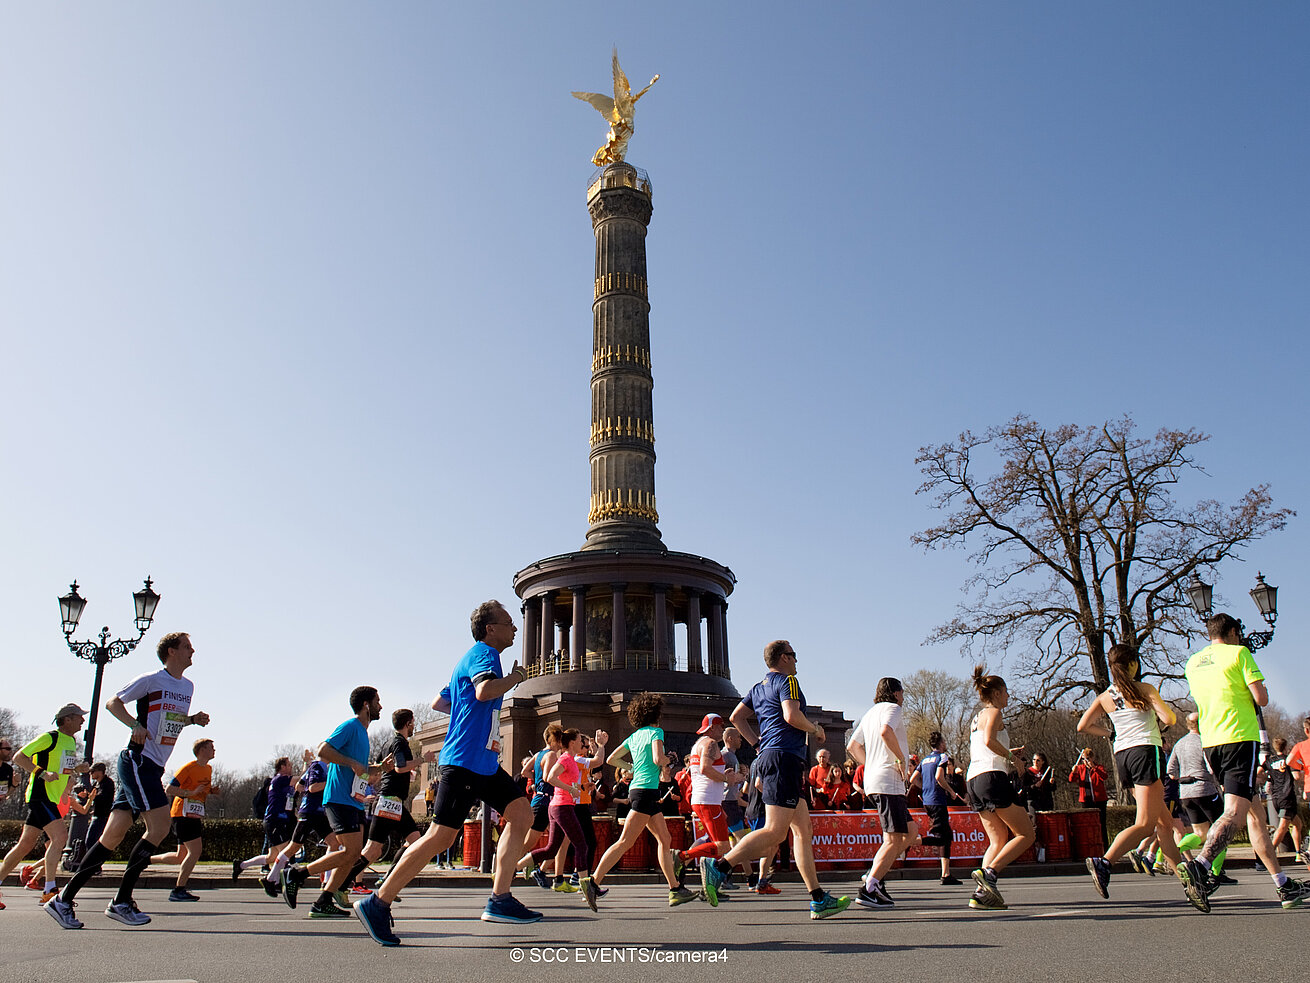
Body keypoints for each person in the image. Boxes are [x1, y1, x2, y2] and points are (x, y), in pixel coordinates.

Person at [353, 600, 542, 946]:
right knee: (440, 838)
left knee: (522, 812)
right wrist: (516, 678)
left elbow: (443, 702)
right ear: (490, 629)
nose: (515, 628)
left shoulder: (471, 659)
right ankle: (377, 903)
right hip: (465, 762)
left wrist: (469, 711)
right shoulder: (485, 654)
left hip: (482, 763)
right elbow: (484, 690)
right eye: (509, 623)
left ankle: (500, 899)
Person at [49, 633, 209, 930]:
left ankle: (63, 899)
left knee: (111, 837)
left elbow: (167, 720)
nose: (193, 651)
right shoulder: (151, 679)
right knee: (160, 827)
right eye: (188, 646)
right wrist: (134, 725)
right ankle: (122, 901)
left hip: (153, 766)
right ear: (172, 652)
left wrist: (191, 720)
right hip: (138, 761)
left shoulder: (187, 685)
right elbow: (112, 702)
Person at [701, 640, 851, 919]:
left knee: (802, 831)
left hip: (774, 758)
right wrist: (815, 728)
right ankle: (719, 866)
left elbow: (736, 717)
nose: (796, 661)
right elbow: (791, 715)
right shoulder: (788, 682)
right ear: (783, 658)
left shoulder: (758, 687)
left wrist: (758, 744)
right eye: (794, 655)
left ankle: (818, 898)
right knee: (775, 832)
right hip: (784, 759)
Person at [1178, 613, 1310, 911]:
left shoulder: (1193, 662)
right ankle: (1201, 865)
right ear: (1234, 632)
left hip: (1211, 743)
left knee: (1255, 817)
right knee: (1236, 812)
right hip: (1239, 737)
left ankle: (1283, 884)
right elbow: (1260, 698)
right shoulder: (1240, 653)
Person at [1077, 644, 1188, 902]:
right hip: (1146, 752)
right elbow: (1170, 719)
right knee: (1145, 824)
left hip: (1123, 757)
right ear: (1133, 664)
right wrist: (1161, 713)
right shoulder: (1145, 689)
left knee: (1165, 824)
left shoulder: (1105, 696)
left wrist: (1110, 733)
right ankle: (1104, 862)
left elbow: (1083, 725)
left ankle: (1186, 880)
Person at [280, 688, 393, 918]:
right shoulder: (351, 726)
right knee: (350, 850)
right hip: (339, 798)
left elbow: (360, 769)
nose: (381, 706)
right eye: (377, 701)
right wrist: (352, 762)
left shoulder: (362, 732)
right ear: (365, 705)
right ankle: (297, 874)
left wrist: (381, 768)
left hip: (354, 801)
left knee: (353, 854)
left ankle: (323, 901)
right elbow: (323, 749)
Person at [590, 692, 694, 906]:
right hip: (646, 791)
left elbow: (611, 759)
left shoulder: (634, 736)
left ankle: (675, 888)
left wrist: (631, 768)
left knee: (664, 839)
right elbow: (658, 759)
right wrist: (669, 759)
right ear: (656, 713)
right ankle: (593, 882)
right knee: (625, 842)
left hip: (642, 790)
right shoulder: (656, 732)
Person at [1, 704, 89, 910]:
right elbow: (19, 757)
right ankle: (49, 890)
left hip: (51, 797)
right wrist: (42, 773)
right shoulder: (50, 737)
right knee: (59, 838)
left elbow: (60, 768)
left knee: (25, 845)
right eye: (79, 717)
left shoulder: (70, 741)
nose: (82, 721)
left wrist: (77, 769)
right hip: (40, 795)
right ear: (66, 719)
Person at [343, 708, 435, 898]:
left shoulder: (388, 743)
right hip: (389, 802)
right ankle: (342, 883)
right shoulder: (400, 742)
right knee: (373, 850)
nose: (414, 725)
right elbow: (400, 767)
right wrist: (422, 760)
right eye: (413, 722)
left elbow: (382, 769)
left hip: (391, 802)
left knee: (412, 841)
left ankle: (386, 877)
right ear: (408, 723)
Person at [848, 677, 923, 910]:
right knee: (894, 838)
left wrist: (870, 765)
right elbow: (885, 731)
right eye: (902, 692)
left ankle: (875, 872)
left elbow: (852, 746)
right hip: (888, 781)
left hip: (876, 780)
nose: (903, 696)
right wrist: (900, 759)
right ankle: (870, 887)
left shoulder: (870, 713)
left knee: (910, 831)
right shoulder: (893, 708)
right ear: (896, 693)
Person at [963, 665, 1034, 911]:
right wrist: (1013, 760)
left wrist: (1008, 753)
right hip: (992, 777)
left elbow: (984, 745)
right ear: (996, 693)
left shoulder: (977, 717)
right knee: (1026, 834)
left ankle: (982, 894)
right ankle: (990, 875)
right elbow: (989, 741)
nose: (1008, 696)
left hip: (975, 779)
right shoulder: (994, 712)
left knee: (998, 839)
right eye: (1006, 692)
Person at [527, 728, 599, 910]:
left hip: (557, 804)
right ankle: (584, 884)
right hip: (558, 805)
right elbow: (549, 777)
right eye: (580, 740)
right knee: (581, 845)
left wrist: (582, 787)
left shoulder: (567, 758)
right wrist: (570, 789)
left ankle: (516, 866)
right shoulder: (562, 757)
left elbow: (565, 781)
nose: (583, 744)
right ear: (573, 742)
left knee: (552, 848)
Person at [150, 737, 221, 902]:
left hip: (194, 814)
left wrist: (211, 791)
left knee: (180, 856)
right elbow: (169, 789)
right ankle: (178, 890)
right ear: (202, 750)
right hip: (182, 813)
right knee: (195, 851)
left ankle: (144, 860)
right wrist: (191, 793)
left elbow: (202, 789)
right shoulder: (188, 768)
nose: (214, 750)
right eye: (211, 747)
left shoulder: (208, 769)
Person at [676, 714, 745, 876]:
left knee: (713, 841)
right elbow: (705, 769)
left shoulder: (698, 744)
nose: (722, 730)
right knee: (722, 846)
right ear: (713, 727)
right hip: (708, 801)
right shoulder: (710, 743)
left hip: (706, 800)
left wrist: (724, 776)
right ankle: (681, 857)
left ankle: (702, 877)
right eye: (721, 726)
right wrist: (726, 778)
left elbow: (706, 769)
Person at [1167, 713, 1229, 881]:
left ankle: (1169, 854)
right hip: (1205, 789)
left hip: (1185, 793)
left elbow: (1171, 771)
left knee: (1200, 833)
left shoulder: (1179, 744)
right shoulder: (1205, 741)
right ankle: (1216, 874)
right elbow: (1211, 768)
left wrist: (1185, 776)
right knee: (1221, 831)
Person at [911, 731, 965, 884]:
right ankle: (911, 842)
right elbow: (939, 777)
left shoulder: (925, 759)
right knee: (942, 837)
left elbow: (913, 779)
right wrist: (951, 791)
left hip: (928, 801)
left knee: (946, 836)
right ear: (941, 743)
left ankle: (946, 874)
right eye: (945, 742)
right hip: (938, 801)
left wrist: (924, 788)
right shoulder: (942, 757)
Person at [235, 757, 297, 885]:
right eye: (289, 765)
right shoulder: (280, 779)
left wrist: (307, 764)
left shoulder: (285, 782)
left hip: (277, 821)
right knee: (286, 852)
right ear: (282, 767)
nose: (291, 767)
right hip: (274, 821)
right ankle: (272, 881)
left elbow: (300, 784)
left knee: (272, 857)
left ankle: (241, 865)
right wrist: (311, 765)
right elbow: (300, 780)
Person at [1264, 737, 1304, 860]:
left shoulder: (1269, 761)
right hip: (1287, 797)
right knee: (1283, 827)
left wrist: (1269, 780)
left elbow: (1260, 771)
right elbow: (1296, 776)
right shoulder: (1289, 760)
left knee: (1297, 824)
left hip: (1275, 797)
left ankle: (1298, 853)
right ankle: (1268, 854)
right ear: (1286, 747)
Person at [1068, 747, 1109, 848]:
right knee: (1087, 825)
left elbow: (1104, 776)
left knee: (1101, 824)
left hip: (1099, 800)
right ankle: (1090, 846)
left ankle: (1104, 847)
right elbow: (1071, 779)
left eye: (1087, 759)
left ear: (1092, 758)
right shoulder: (1081, 769)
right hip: (1086, 800)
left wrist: (1094, 768)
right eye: (1083, 759)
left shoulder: (1099, 767)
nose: (1085, 761)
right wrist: (1073, 771)